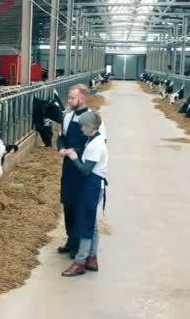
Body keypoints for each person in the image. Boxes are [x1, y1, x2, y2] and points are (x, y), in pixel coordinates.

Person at [57, 84, 106, 258]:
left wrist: (74, 153)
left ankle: (79, 244)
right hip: (68, 168)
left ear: (82, 98)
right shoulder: (67, 116)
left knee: (80, 206)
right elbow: (61, 137)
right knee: (68, 204)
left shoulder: (93, 120)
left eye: (72, 98)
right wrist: (61, 148)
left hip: (84, 170)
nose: (68, 100)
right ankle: (71, 240)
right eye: (69, 97)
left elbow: (97, 146)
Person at [61, 111, 108, 277]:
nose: (80, 129)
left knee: (85, 223)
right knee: (91, 223)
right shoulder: (94, 139)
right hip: (94, 185)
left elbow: (86, 170)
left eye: (82, 126)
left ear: (90, 127)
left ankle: (80, 262)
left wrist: (74, 157)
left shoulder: (96, 145)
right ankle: (92, 258)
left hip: (92, 185)